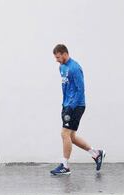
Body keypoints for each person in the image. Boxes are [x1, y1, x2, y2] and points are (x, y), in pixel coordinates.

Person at [50, 44, 106, 175]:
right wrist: (64, 105)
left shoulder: (75, 68)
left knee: (64, 134)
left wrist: (71, 106)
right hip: (67, 105)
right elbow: (66, 88)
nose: (56, 60)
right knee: (71, 136)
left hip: (77, 106)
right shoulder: (61, 67)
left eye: (58, 57)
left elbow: (81, 90)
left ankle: (65, 166)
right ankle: (96, 153)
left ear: (64, 54)